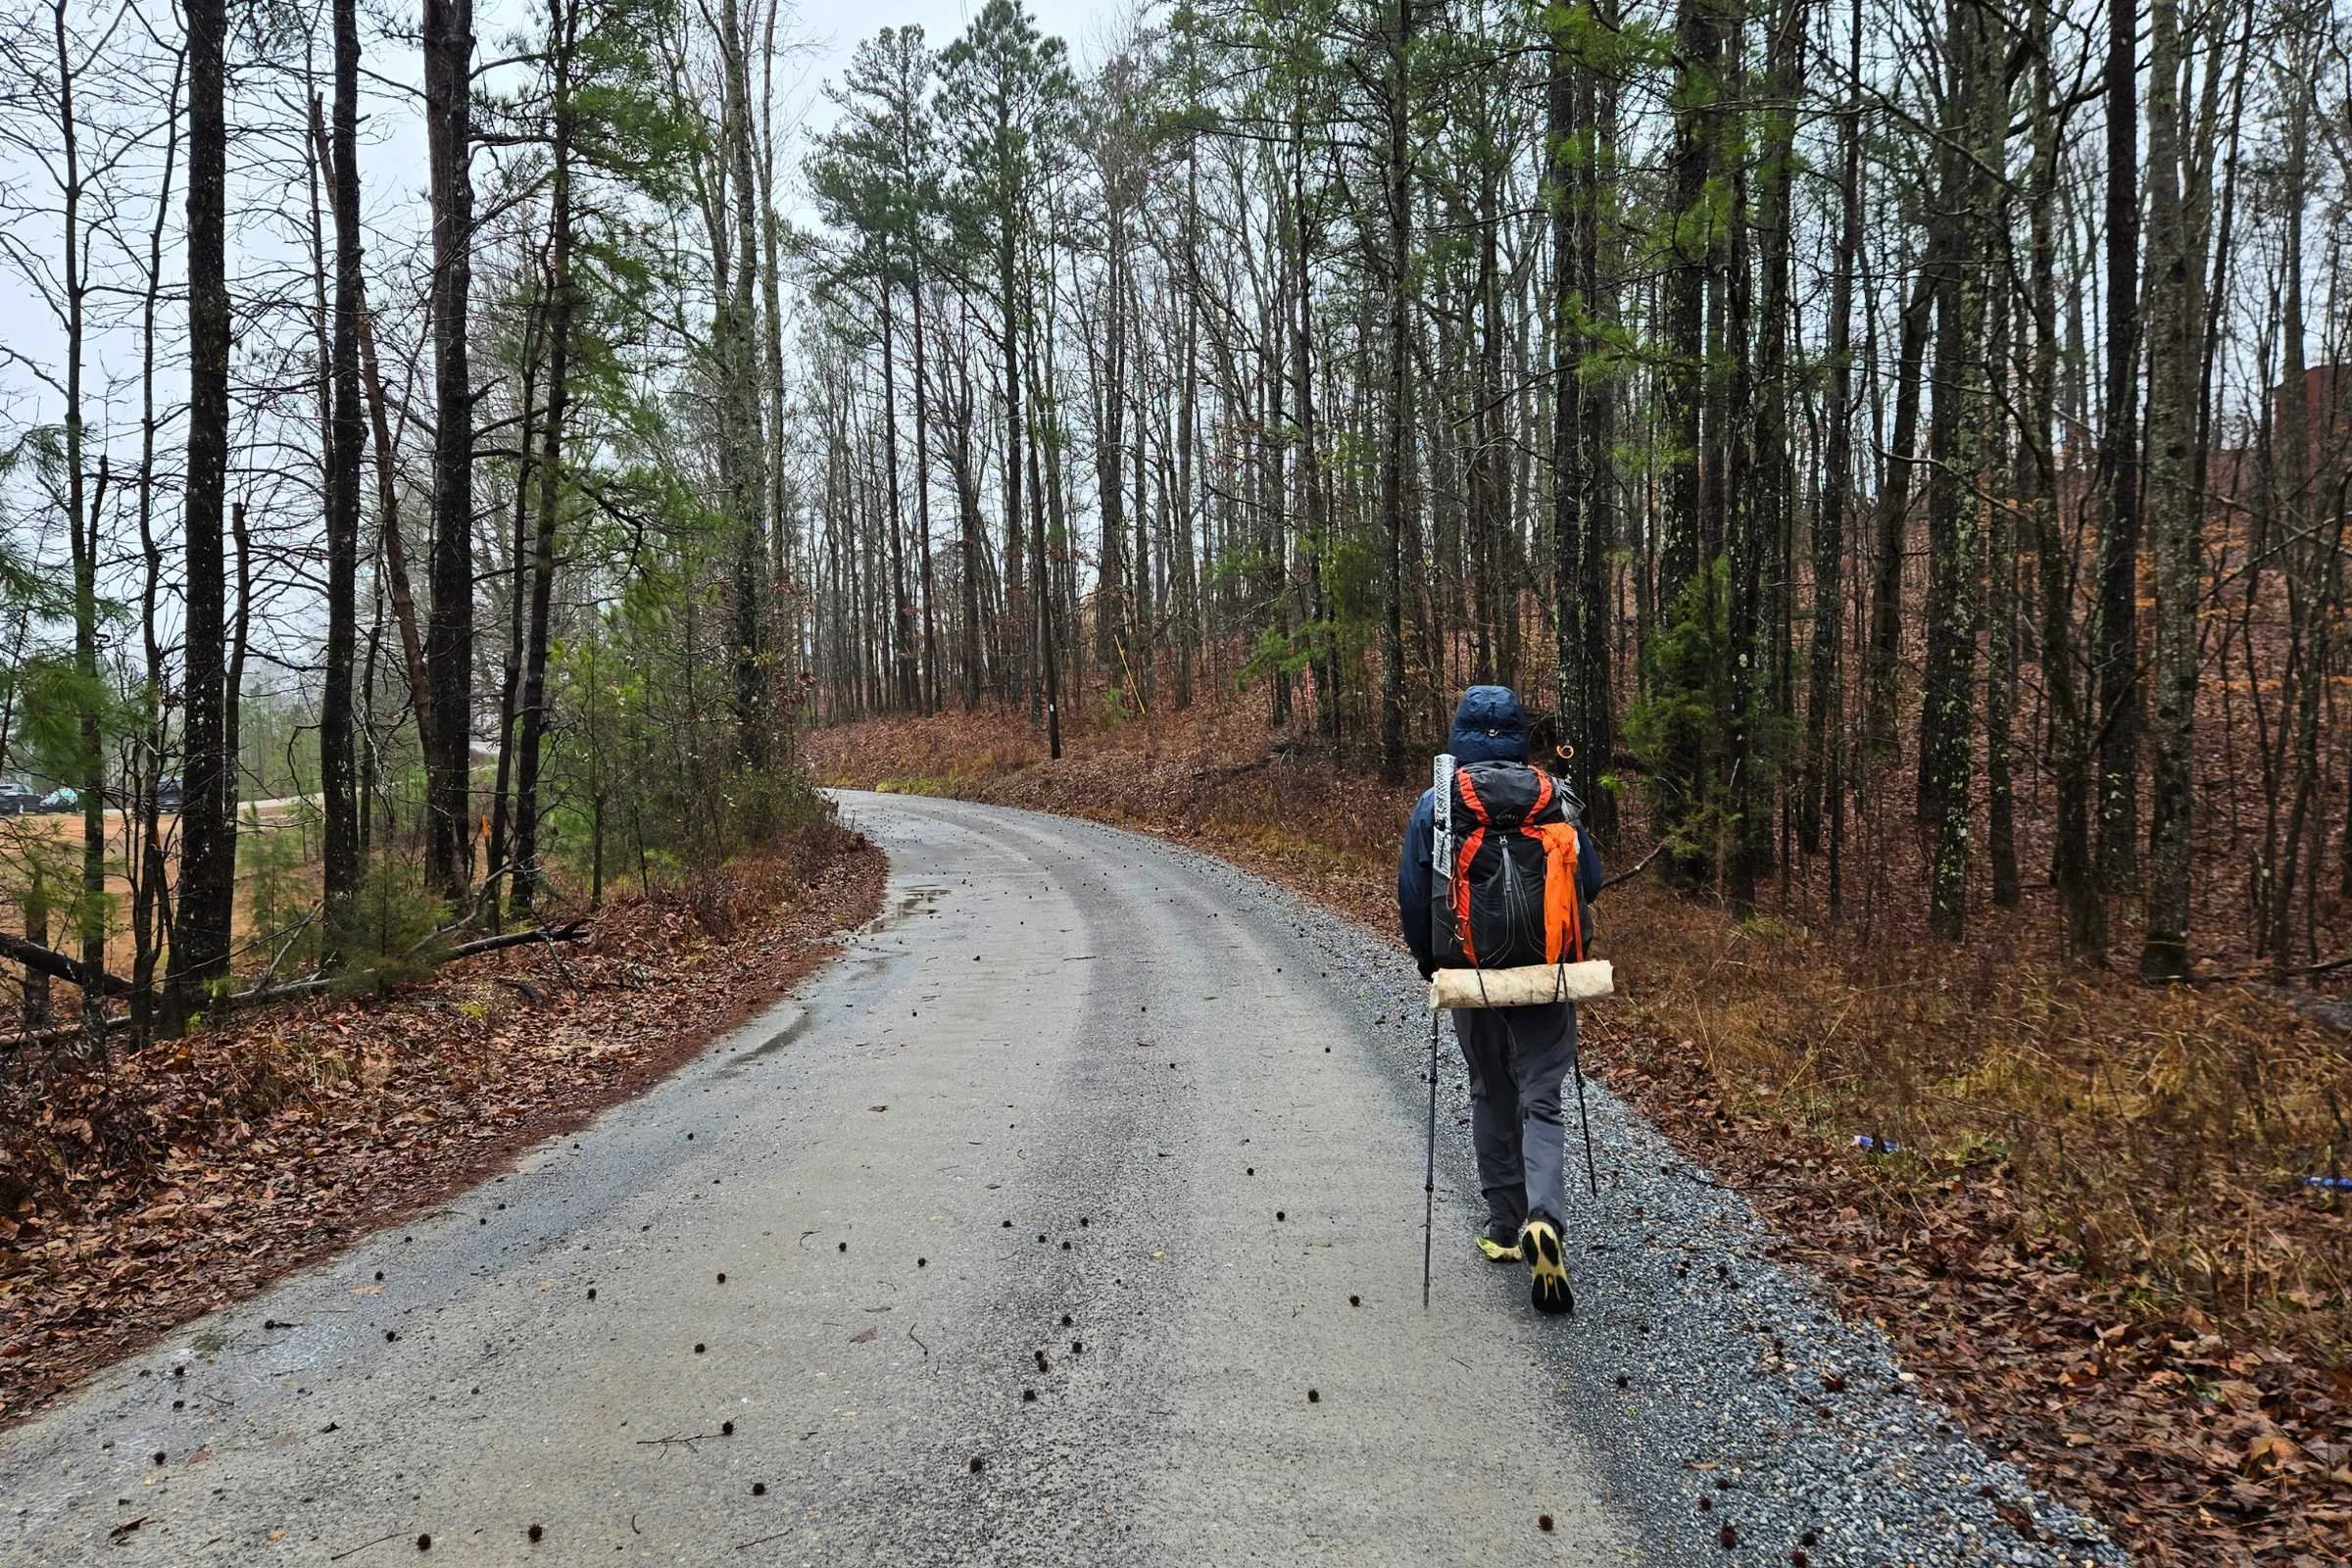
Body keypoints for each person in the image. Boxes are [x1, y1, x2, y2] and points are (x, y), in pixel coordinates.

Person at [1396, 686, 1602, 1315]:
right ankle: (1546, 1220)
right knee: (1542, 1098)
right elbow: (1590, 880)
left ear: (1458, 733)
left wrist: (1432, 964)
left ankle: (1506, 1228)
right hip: (1546, 970)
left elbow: (1415, 896)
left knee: (1491, 1089)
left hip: (1472, 970)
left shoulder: (1439, 803)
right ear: (1520, 735)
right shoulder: (1554, 795)